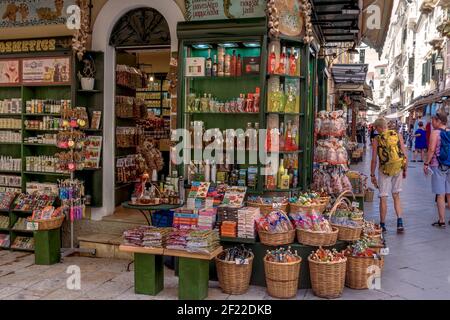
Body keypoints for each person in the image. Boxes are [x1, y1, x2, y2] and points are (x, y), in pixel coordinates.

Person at [370, 117, 407, 233]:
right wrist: (405, 169)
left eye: (376, 128)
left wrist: (372, 174)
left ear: (379, 128)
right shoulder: (397, 135)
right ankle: (400, 222)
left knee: (383, 197)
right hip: (398, 168)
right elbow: (404, 155)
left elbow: (374, 160)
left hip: (384, 170)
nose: (376, 131)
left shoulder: (376, 139)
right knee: (396, 195)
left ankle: (382, 224)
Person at [423, 109, 450, 228]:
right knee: (449, 192)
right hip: (449, 165)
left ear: (438, 121)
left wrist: (426, 163)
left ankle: (442, 220)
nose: (432, 122)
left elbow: (431, 150)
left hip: (438, 165)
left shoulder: (435, 133)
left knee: (440, 194)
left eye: (433, 120)